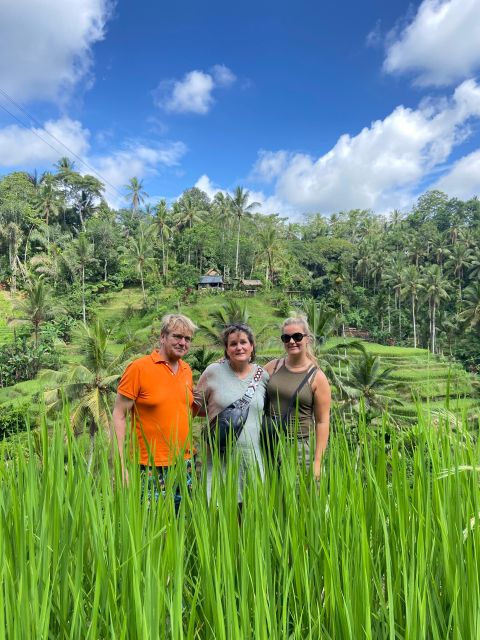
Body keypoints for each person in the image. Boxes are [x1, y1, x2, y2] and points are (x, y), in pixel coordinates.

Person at [112, 313, 197, 509]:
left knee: (181, 522)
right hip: (149, 465)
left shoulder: (187, 370)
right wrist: (120, 465)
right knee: (151, 525)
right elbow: (119, 415)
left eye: (187, 339)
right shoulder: (139, 368)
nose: (183, 343)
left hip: (184, 463)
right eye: (177, 336)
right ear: (162, 337)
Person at [195, 323, 268, 502]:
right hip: (219, 459)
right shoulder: (213, 371)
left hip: (251, 459)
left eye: (243, 342)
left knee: (251, 518)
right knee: (220, 517)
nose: (239, 347)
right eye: (233, 344)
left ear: (252, 346)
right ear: (227, 350)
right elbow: (197, 408)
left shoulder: (263, 375)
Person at [264, 316, 331, 479]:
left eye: (297, 336)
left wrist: (317, 462)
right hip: (269, 443)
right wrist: (227, 362)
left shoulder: (317, 377)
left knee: (300, 500)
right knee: (270, 499)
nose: (292, 341)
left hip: (299, 447)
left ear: (307, 339)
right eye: (286, 338)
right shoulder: (273, 366)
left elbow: (322, 422)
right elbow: (248, 379)